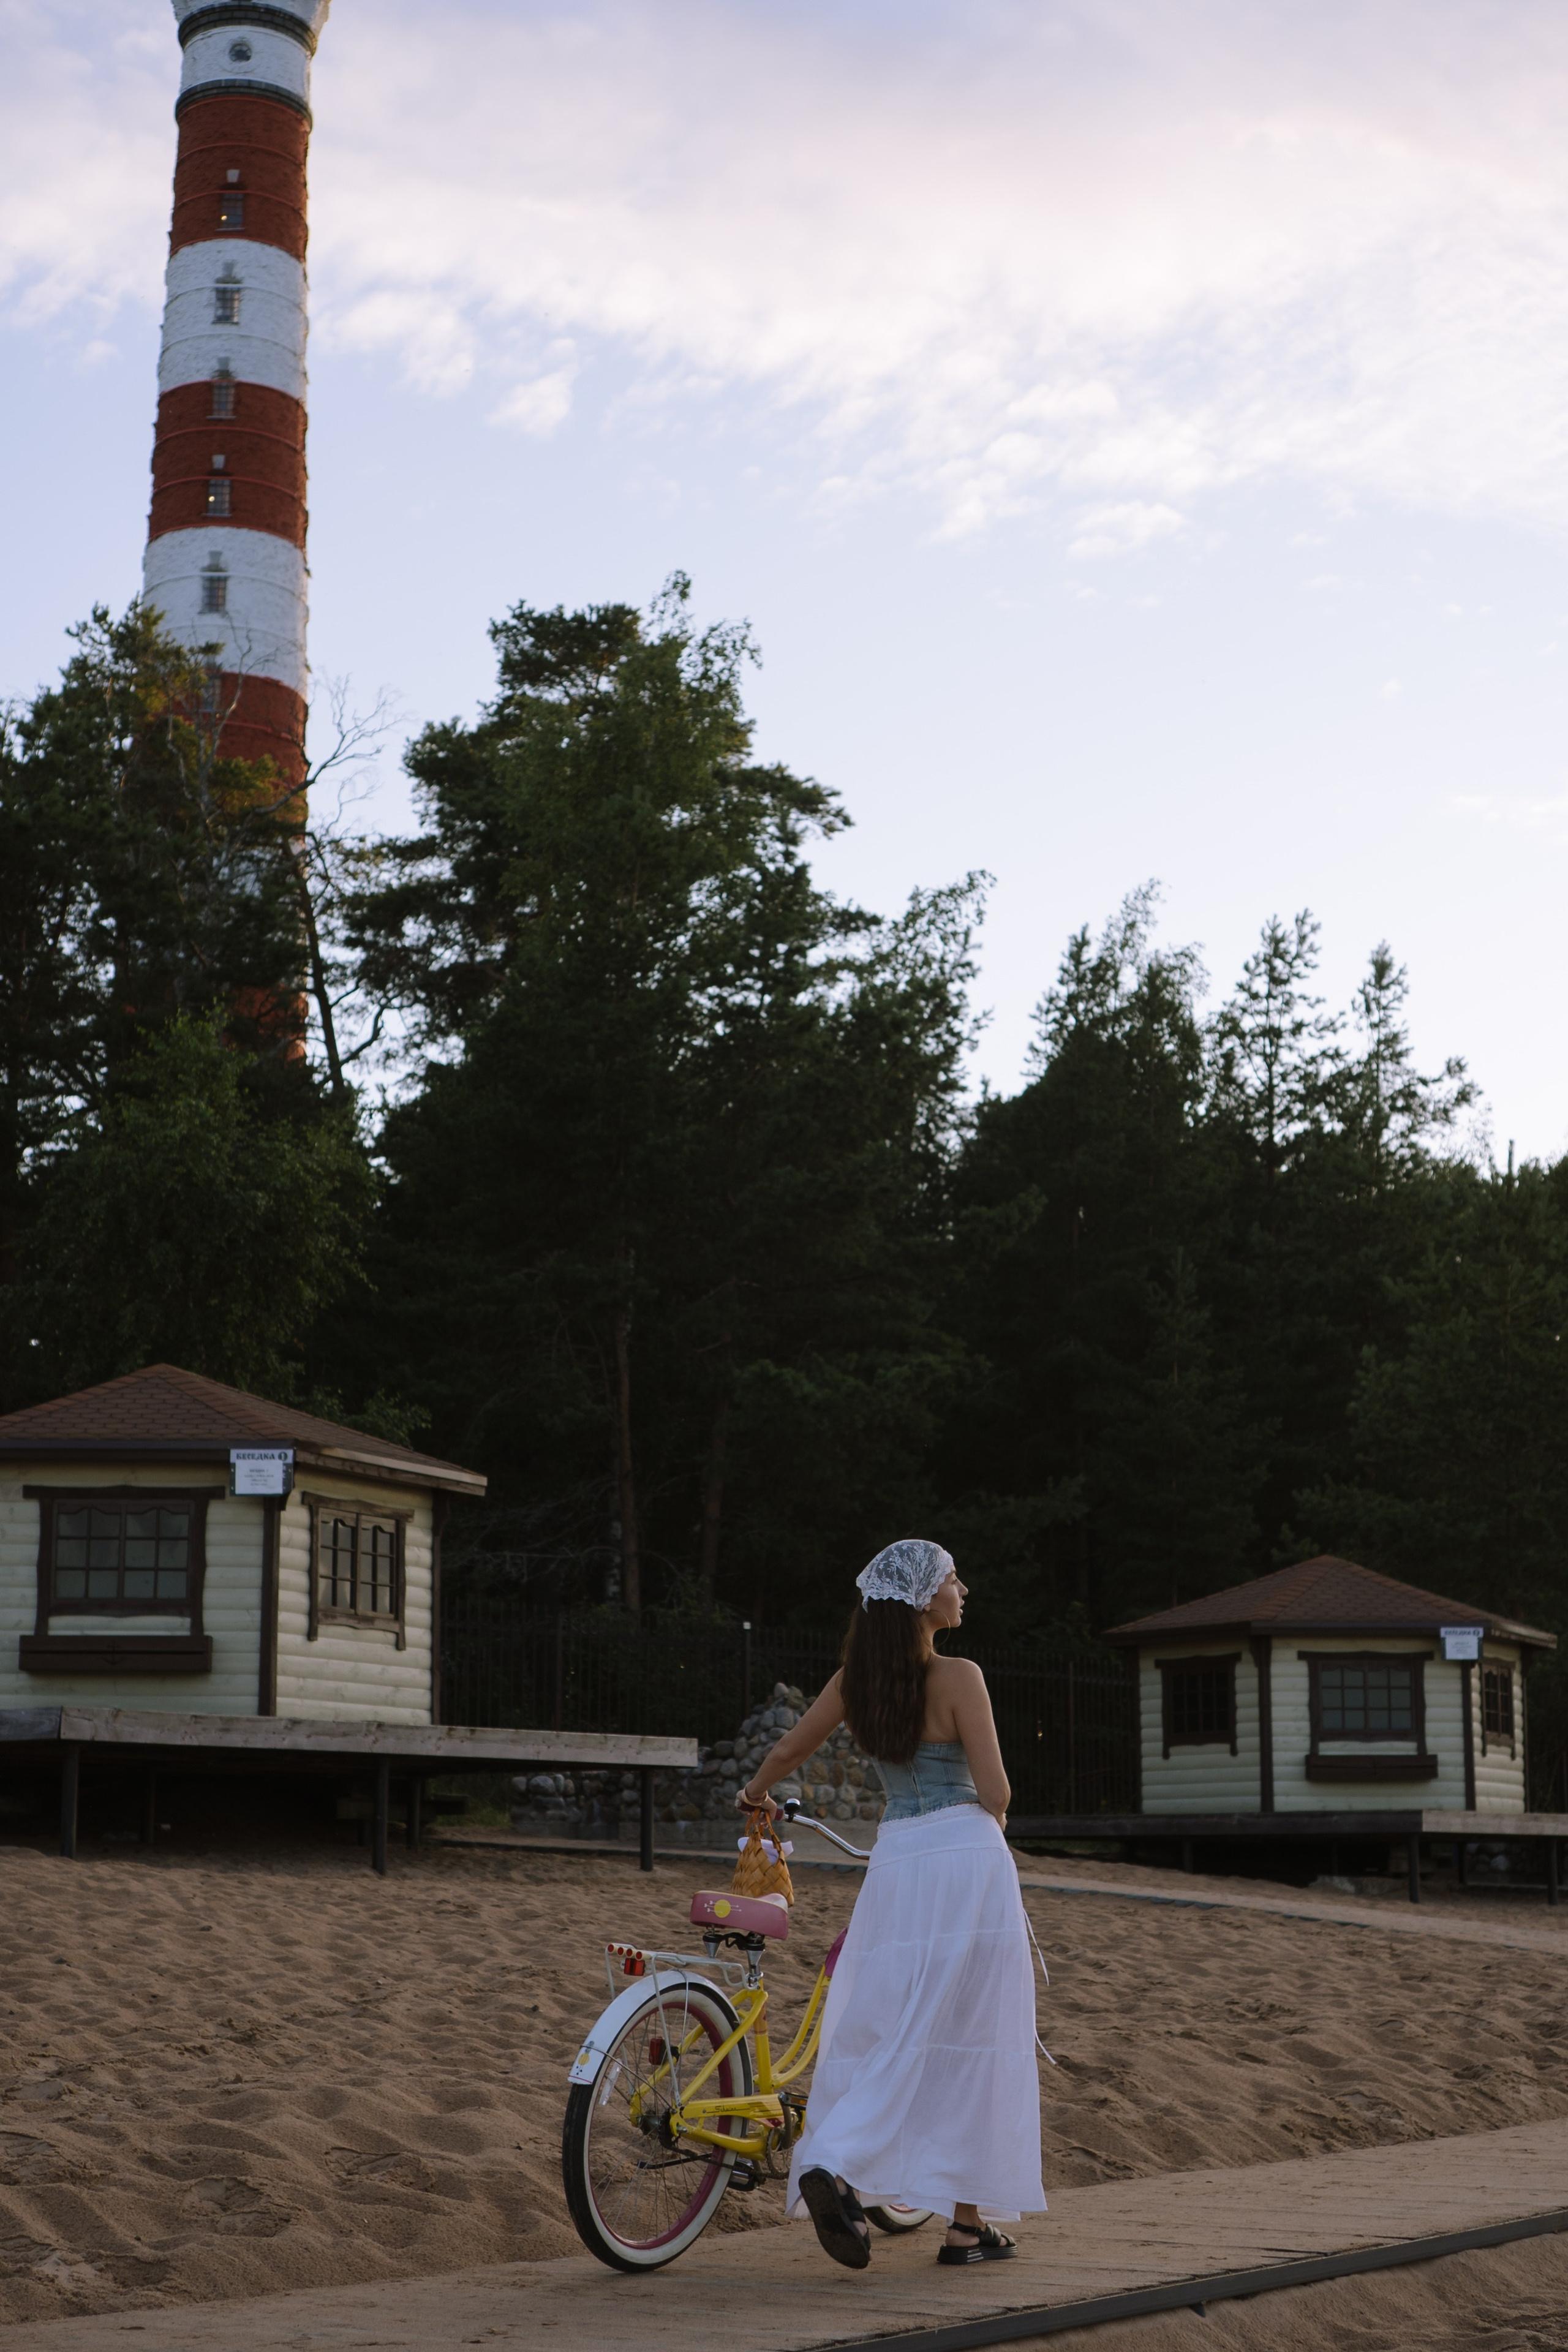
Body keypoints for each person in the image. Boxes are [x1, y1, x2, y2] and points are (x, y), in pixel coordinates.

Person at [734, 1538, 1046, 2270]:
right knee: (972, 2032)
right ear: (923, 1599)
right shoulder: (960, 1677)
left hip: (898, 1862)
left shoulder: (856, 1682)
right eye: (952, 1579)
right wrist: (995, 1818)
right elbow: (995, 1792)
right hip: (966, 1858)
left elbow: (789, 1751)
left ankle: (886, 2183)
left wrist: (754, 1795)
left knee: (891, 2021)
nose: (962, 1590)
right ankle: (945, 2216)